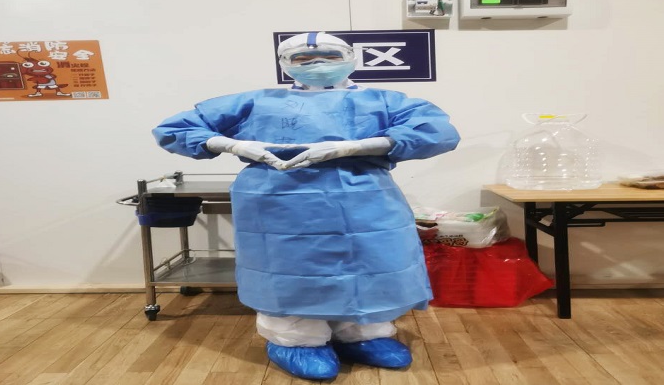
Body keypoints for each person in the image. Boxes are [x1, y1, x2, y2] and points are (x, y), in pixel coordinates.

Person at [152, 31, 460, 380]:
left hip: (365, 200)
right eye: (302, 58)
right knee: (290, 270)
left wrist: (355, 147)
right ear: (284, 64)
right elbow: (175, 128)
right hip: (280, 202)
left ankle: (363, 333)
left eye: (330, 55)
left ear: (351, 57)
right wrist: (234, 145)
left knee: (370, 261)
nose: (317, 63)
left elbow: (437, 131)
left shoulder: (383, 101)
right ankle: (296, 340)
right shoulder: (257, 102)